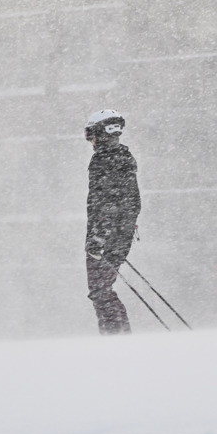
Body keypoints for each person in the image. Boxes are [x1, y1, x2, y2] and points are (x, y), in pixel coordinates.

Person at [83, 109, 141, 334]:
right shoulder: (123, 157)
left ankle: (116, 336)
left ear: (100, 131)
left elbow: (105, 203)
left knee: (100, 290)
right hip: (121, 234)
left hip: (106, 237)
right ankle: (117, 334)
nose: (90, 140)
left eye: (90, 134)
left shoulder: (104, 159)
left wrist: (99, 237)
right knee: (102, 288)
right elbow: (130, 203)